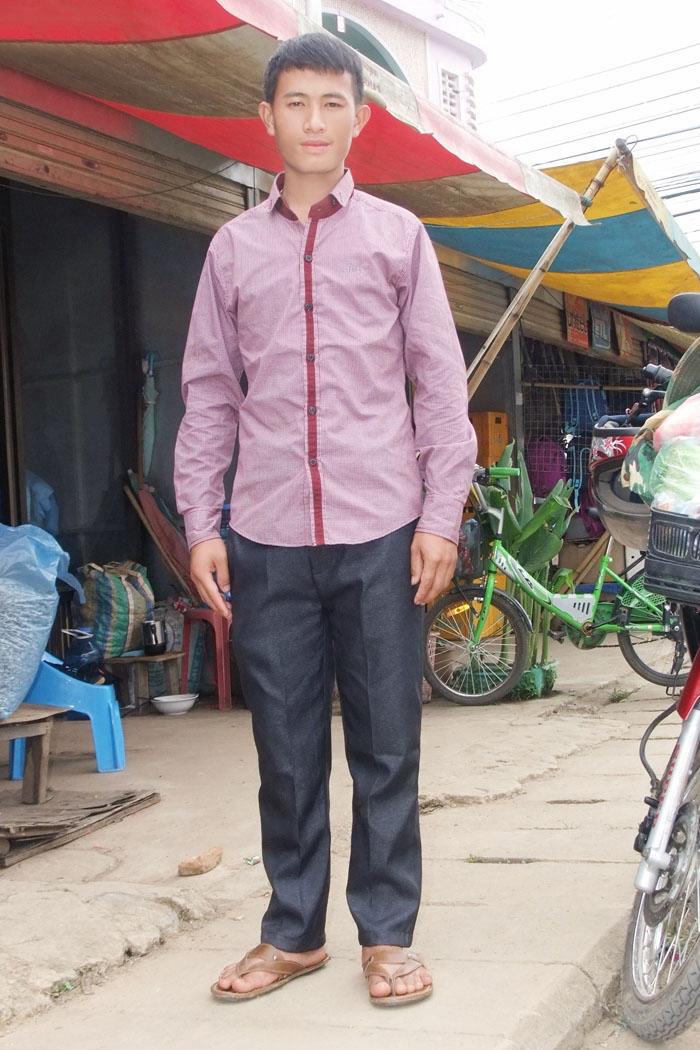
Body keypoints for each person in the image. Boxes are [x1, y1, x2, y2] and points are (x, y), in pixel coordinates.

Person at [174, 31, 476, 1007]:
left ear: (359, 119)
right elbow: (209, 393)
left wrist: (440, 516)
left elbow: (438, 386)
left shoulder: (398, 238)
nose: (313, 121)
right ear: (266, 117)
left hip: (382, 530)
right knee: (286, 747)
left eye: (331, 103)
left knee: (386, 743)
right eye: (295, 103)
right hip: (266, 537)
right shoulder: (231, 250)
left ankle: (386, 936)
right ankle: (293, 933)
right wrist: (201, 522)